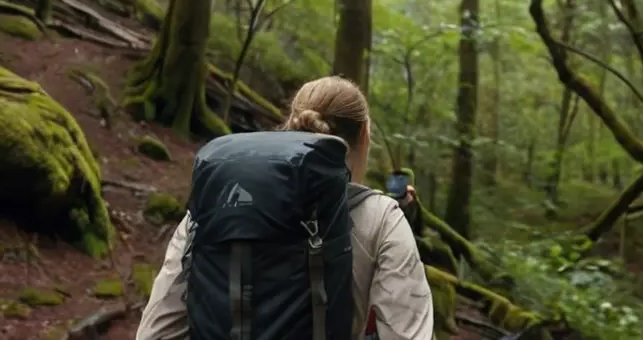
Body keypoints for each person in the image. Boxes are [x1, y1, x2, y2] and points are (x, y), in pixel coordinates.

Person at [136, 76, 434, 340]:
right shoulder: (381, 218)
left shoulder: (213, 205)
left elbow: (155, 331)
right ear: (365, 136)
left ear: (292, 125)